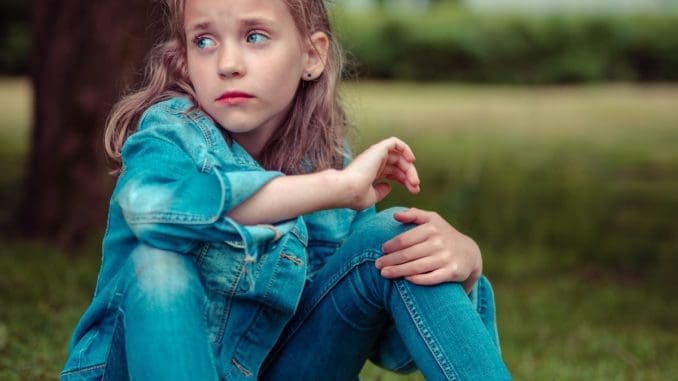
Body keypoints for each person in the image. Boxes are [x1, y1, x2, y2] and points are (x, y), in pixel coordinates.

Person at [61, 0, 511, 380]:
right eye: (204, 40)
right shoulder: (168, 135)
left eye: (255, 35)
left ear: (312, 56)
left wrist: (467, 266)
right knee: (157, 264)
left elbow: (397, 351)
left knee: (397, 234)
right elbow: (150, 212)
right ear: (184, 60)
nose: (227, 63)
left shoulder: (329, 164)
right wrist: (330, 188)